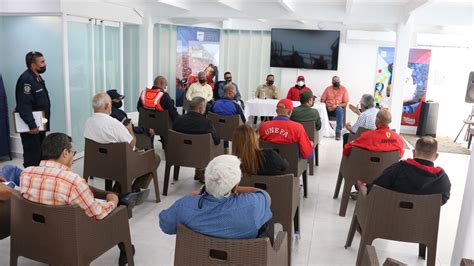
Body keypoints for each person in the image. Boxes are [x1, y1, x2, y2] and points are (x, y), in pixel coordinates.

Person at [20, 133, 134, 265]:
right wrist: (113, 201)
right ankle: (127, 248)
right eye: (73, 153)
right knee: (118, 211)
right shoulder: (74, 182)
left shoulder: (26, 174)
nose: (72, 158)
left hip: (38, 238)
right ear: (65, 153)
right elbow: (98, 214)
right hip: (70, 240)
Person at [159, 155, 272, 239]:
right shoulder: (252, 205)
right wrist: (235, 189)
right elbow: (263, 194)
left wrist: (189, 196)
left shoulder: (184, 206)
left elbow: (165, 225)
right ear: (234, 187)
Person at [84, 92, 153, 200]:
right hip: (118, 164)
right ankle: (130, 192)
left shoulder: (88, 122)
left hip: (96, 164)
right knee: (154, 158)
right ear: (106, 106)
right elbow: (131, 145)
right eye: (110, 104)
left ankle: (118, 189)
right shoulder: (114, 124)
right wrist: (130, 130)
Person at [366, 136, 451, 205]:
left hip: (390, 220)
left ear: (413, 152)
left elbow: (374, 188)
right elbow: (443, 199)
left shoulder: (398, 169)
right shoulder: (442, 179)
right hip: (422, 224)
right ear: (436, 156)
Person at [15, 51, 51, 167]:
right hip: (33, 127)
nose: (44, 64)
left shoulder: (37, 78)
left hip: (40, 125)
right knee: (32, 155)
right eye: (42, 62)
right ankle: (29, 179)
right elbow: (24, 105)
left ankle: (38, 179)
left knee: (40, 153)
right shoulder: (26, 80)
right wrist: (32, 124)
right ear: (33, 65)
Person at [173, 97, 221, 182]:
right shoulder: (206, 123)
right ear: (201, 109)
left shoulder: (178, 120)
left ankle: (199, 172)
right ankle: (204, 172)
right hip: (201, 156)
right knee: (213, 145)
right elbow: (216, 141)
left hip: (180, 155)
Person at [321, 76, 349, 140]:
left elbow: (345, 103)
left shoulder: (344, 89)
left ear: (340, 81)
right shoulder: (328, 89)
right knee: (322, 109)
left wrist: (336, 105)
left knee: (339, 110)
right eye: (334, 80)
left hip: (337, 108)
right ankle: (325, 130)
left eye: (337, 80)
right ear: (332, 82)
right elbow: (322, 100)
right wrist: (327, 106)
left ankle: (338, 132)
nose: (336, 81)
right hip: (328, 108)